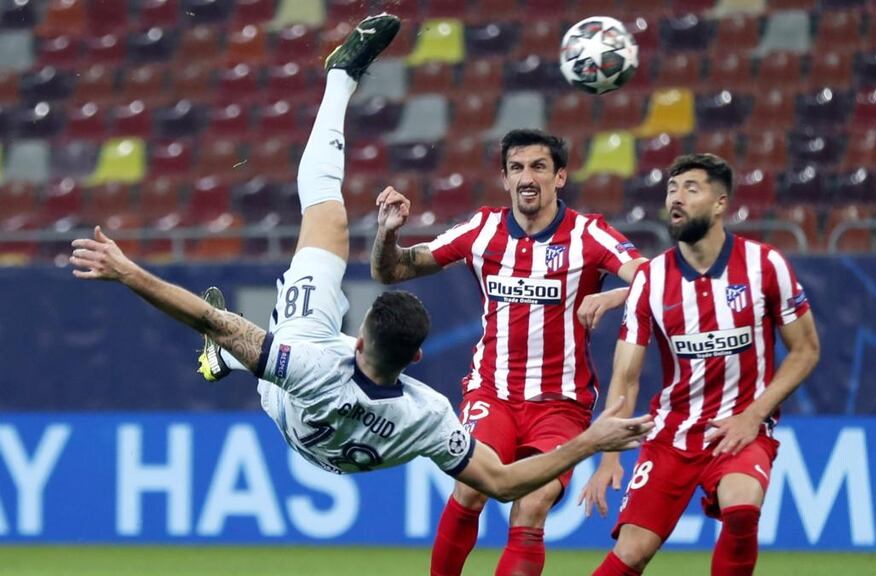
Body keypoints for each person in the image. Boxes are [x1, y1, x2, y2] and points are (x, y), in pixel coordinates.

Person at [67, 13, 653, 505]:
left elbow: (207, 317)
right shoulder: (428, 413)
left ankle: (340, 79)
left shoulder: (311, 363)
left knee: (324, 216)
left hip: (299, 392)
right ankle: (226, 361)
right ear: (416, 358)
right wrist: (591, 442)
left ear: (358, 338)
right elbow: (502, 484)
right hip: (339, 448)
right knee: (248, 342)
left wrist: (127, 271)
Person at [372, 128, 647, 575]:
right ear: (504, 178)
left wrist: (614, 295)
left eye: (538, 167)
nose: (526, 177)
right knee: (470, 489)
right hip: (492, 393)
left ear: (560, 177)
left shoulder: (589, 235)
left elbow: (656, 278)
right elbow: (394, 270)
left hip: (560, 404)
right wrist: (387, 235)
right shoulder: (482, 230)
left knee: (533, 504)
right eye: (516, 168)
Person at [580, 153, 821, 576]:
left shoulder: (765, 265)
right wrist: (609, 456)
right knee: (631, 552)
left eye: (691, 189)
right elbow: (626, 376)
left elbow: (805, 351)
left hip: (739, 428)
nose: (676, 198)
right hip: (670, 434)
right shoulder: (650, 280)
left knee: (742, 509)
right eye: (672, 189)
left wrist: (753, 416)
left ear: (720, 203)